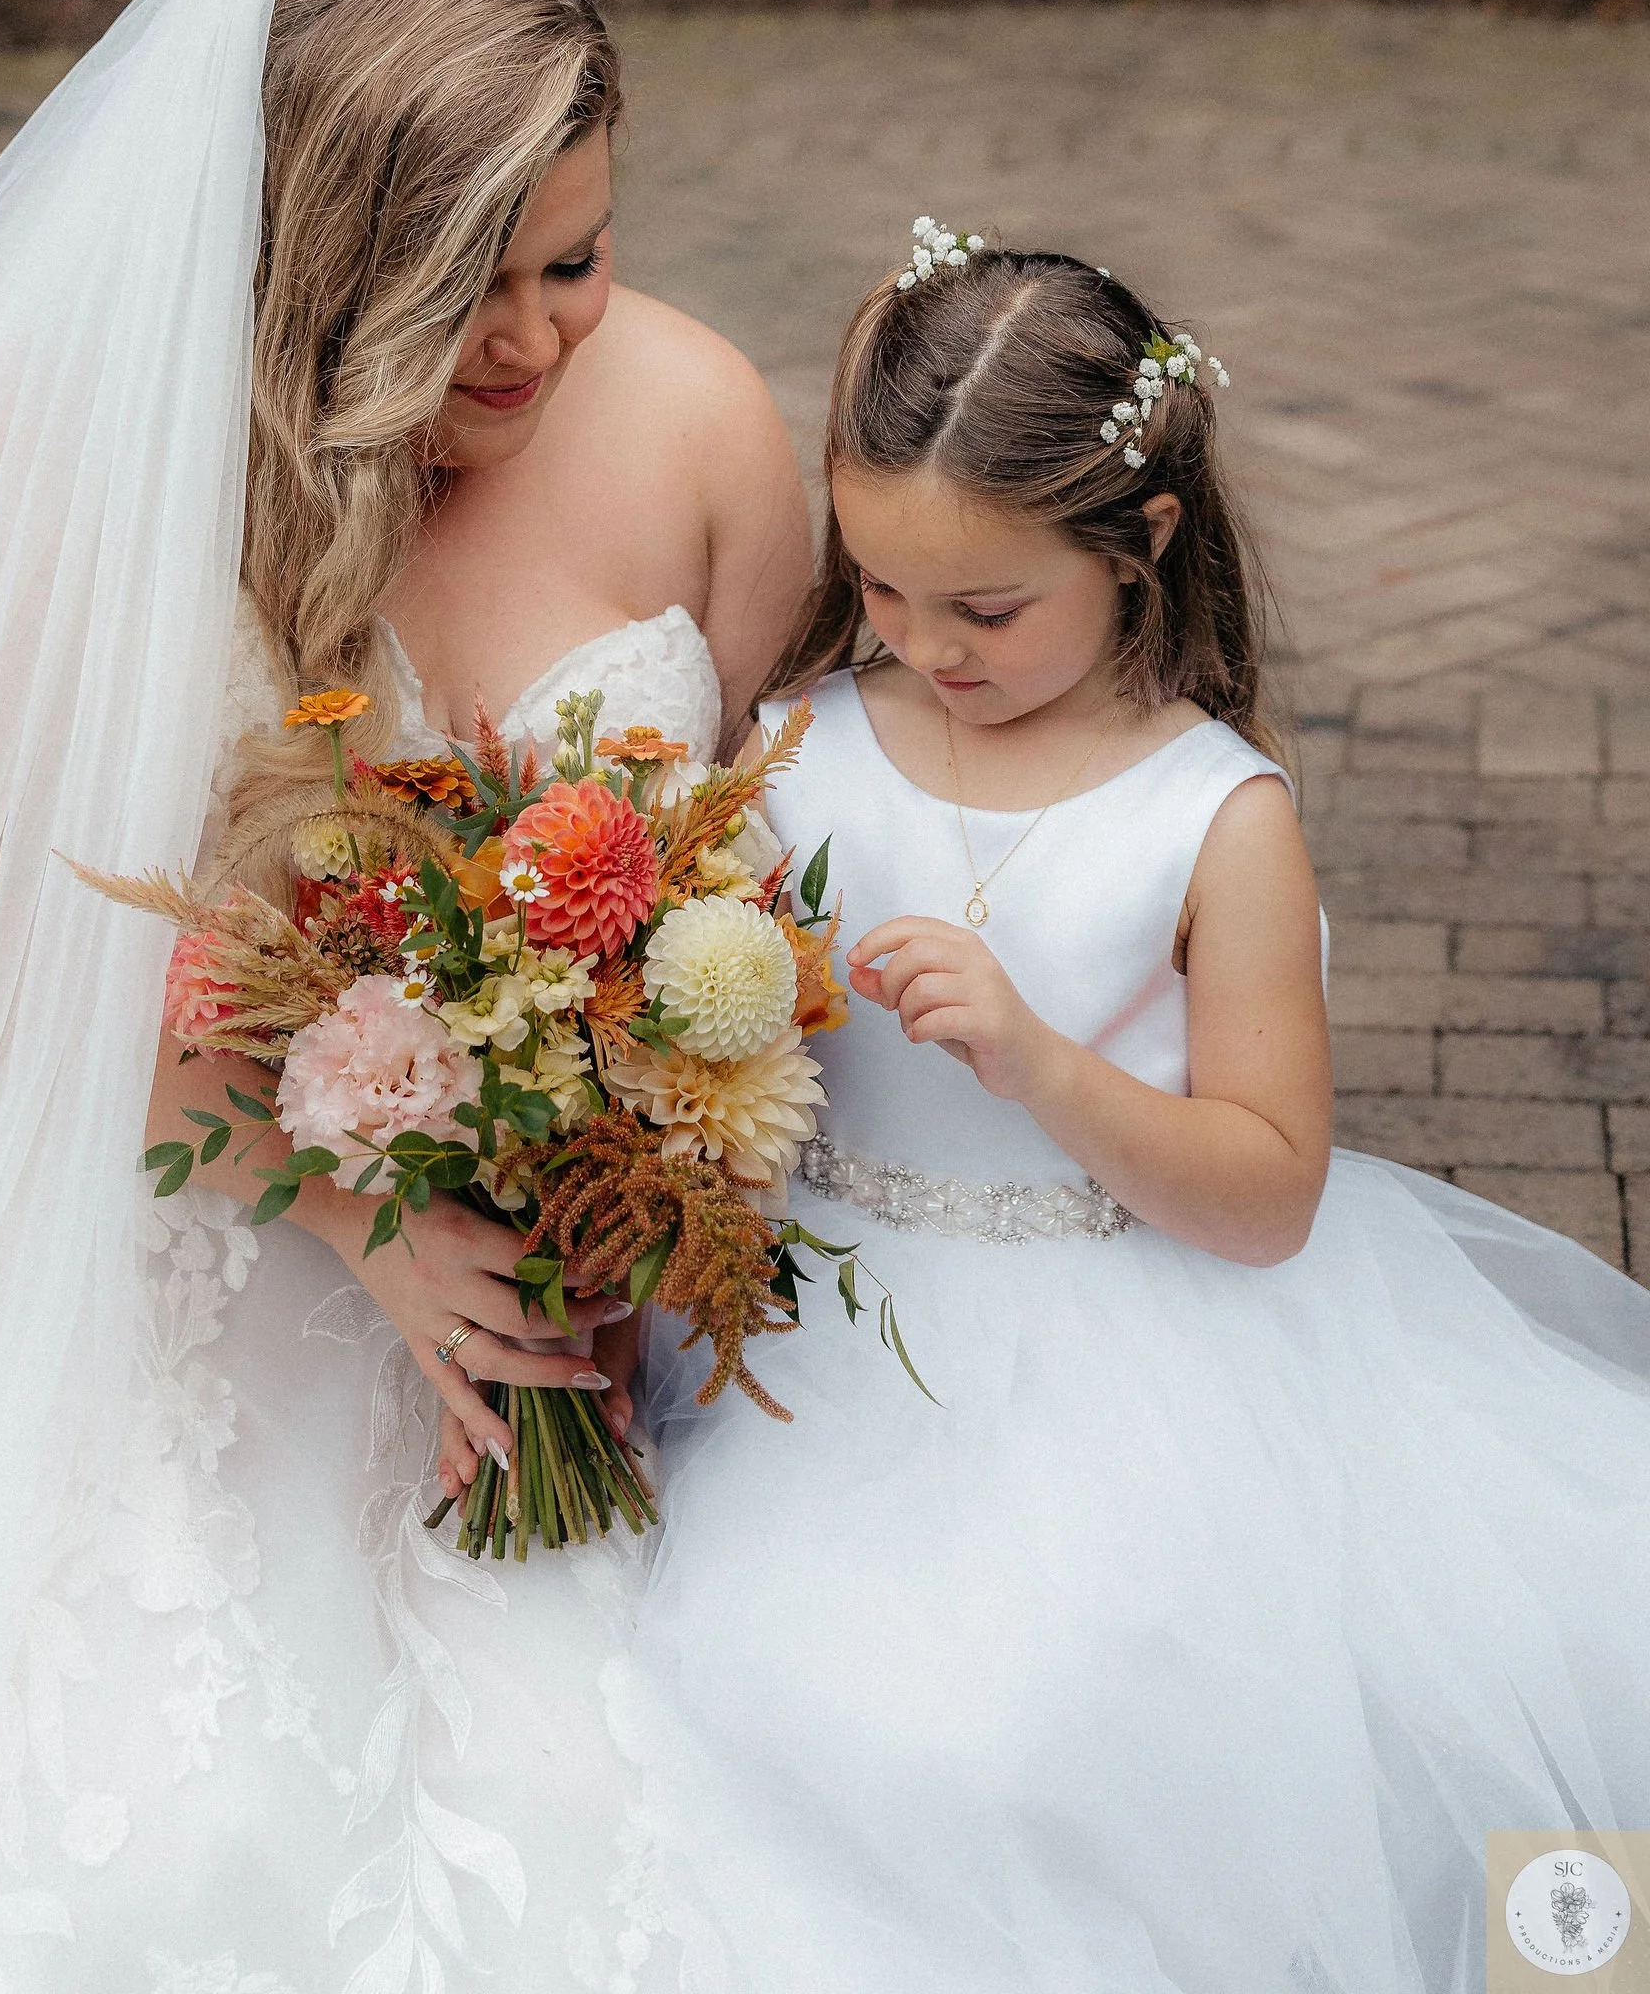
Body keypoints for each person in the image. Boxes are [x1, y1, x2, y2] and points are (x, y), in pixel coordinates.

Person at [0, 0, 807, 1992]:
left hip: (558, 1262)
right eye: (469, 288)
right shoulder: (18, 478)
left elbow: (759, 854)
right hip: (126, 1205)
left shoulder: (699, 422)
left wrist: (628, 1173)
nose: (534, 337)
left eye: (577, 257)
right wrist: (374, 1225)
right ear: (318, 261)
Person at [607, 237, 1650, 1994]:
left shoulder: (1213, 818)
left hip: (1130, 1350)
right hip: (814, 1332)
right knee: (754, 1696)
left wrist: (1045, 1065)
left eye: (988, 610)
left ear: (1140, 544)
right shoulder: (795, 748)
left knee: (1067, 1714)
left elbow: (1268, 1192)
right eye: (882, 589)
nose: (927, 648)